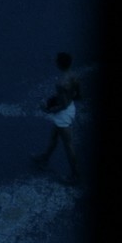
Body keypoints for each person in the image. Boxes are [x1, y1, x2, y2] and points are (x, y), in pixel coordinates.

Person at [31, 52, 82, 184]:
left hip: (63, 114)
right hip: (70, 107)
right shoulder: (74, 74)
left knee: (68, 145)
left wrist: (47, 110)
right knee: (54, 136)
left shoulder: (60, 83)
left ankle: (75, 175)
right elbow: (77, 92)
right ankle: (44, 158)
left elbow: (62, 105)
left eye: (56, 60)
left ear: (59, 64)